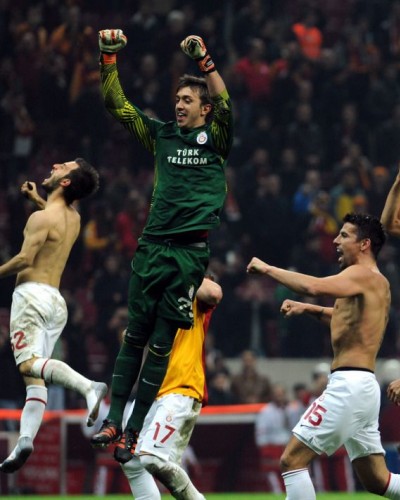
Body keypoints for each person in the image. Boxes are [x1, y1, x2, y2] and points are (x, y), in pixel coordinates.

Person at [90, 29, 233, 465]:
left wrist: (205, 60)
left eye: (188, 100)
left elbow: (226, 102)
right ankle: (113, 420)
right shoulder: (162, 136)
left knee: (161, 342)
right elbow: (118, 106)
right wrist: (108, 58)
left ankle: (133, 432)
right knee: (135, 334)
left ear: (205, 109)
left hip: (189, 255)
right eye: (177, 99)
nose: (179, 105)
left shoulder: (217, 139)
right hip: (152, 248)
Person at [247, 212, 400, 499]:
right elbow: (346, 318)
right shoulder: (373, 282)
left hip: (349, 386)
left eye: (344, 235)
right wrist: (308, 309)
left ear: (364, 244)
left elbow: (313, 286)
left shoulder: (361, 274)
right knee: (378, 481)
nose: (335, 240)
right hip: (363, 387)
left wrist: (267, 269)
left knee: (292, 461)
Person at [0, 158, 107, 473]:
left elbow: (25, 258)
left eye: (63, 167)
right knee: (35, 379)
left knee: (27, 364)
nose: (56, 165)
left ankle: (88, 387)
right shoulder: (73, 218)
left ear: (65, 182)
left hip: (31, 296)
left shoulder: (41, 218)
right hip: (55, 303)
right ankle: (25, 440)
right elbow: (54, 219)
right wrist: (37, 199)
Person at [121, 277, 222, 500]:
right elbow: (130, 337)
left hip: (181, 388)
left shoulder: (193, 296)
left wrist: (181, 273)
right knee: (130, 460)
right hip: (150, 392)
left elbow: (214, 293)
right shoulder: (157, 299)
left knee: (152, 458)